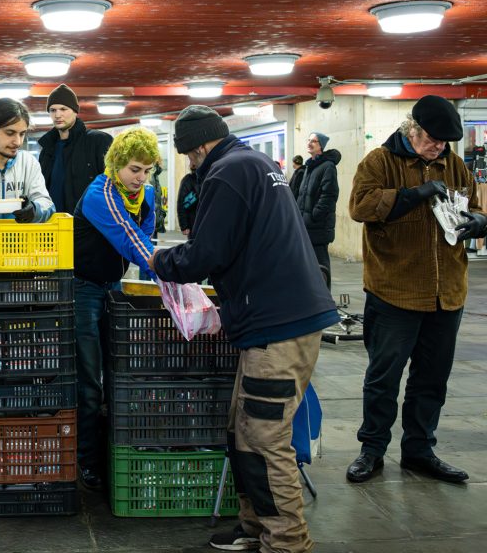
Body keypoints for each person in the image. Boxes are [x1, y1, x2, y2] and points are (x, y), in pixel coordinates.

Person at [145, 105, 337, 553]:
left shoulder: (226, 173)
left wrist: (158, 261)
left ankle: (287, 542)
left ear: (198, 147)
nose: (191, 164)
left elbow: (205, 253)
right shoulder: (254, 164)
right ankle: (255, 527)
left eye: (190, 156)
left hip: (278, 325)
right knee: (244, 428)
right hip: (276, 319)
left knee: (266, 439)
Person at [345, 95, 487, 486]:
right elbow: (360, 206)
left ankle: (419, 450)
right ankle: (371, 450)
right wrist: (413, 195)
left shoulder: (453, 164)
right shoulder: (380, 161)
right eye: (433, 140)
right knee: (383, 377)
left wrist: (478, 221)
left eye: (445, 142)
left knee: (431, 378)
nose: (439, 147)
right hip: (395, 293)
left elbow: (475, 205)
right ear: (414, 129)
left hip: (447, 293)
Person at [71, 127, 157, 490]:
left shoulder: (147, 195)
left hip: (113, 288)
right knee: (90, 381)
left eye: (148, 170)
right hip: (83, 291)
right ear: (117, 165)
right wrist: (177, 269)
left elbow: (146, 238)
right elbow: (130, 238)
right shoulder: (99, 194)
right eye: (135, 169)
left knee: (118, 372)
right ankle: (87, 461)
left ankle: (113, 452)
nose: (141, 178)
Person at [36, 84, 113, 214]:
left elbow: (113, 187)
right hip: (53, 225)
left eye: (63, 109)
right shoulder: (47, 149)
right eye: (53, 110)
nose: (57, 115)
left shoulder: (98, 141)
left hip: (87, 225)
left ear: (75, 111)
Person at [295, 132, 340, 288]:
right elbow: (303, 195)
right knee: (308, 267)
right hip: (306, 225)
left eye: (314, 141)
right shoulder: (310, 166)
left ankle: (325, 301)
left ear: (321, 145)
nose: (310, 143)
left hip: (317, 226)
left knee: (321, 267)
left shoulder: (328, 167)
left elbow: (329, 194)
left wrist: (315, 216)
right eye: (308, 140)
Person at [177, 169, 200, 235]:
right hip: (194, 223)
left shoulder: (210, 177)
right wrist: (184, 226)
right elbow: (181, 204)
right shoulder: (188, 180)